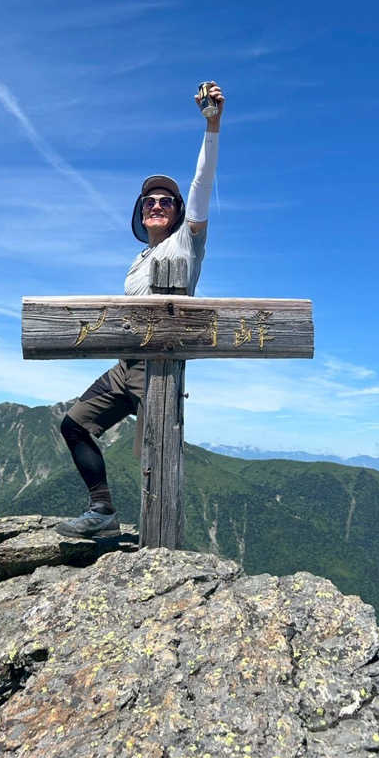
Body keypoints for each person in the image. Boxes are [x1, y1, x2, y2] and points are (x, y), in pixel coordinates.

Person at [56, 82, 225, 537]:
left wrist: (212, 126)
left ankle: (161, 543)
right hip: (126, 365)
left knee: (158, 456)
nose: (155, 206)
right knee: (74, 425)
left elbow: (202, 185)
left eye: (164, 201)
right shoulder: (136, 263)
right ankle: (103, 512)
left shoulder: (188, 242)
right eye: (148, 202)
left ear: (177, 211)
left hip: (160, 368)